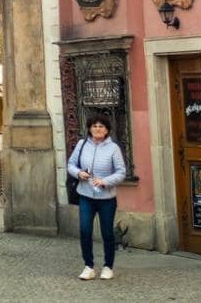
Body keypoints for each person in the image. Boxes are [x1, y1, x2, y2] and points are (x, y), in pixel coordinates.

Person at [67, 113, 128, 281]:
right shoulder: (82, 144)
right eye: (94, 126)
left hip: (107, 198)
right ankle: (88, 266)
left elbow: (121, 172)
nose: (97, 129)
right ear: (89, 128)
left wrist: (105, 181)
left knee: (107, 233)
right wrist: (79, 173)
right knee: (85, 231)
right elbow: (71, 164)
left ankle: (108, 266)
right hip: (86, 195)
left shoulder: (113, 148)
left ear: (107, 130)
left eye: (101, 126)